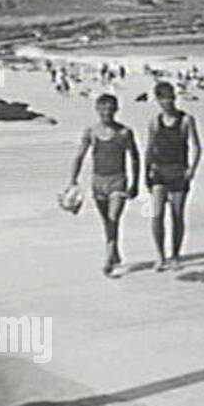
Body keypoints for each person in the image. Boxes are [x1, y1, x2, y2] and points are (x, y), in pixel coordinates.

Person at [69, 93, 140, 277]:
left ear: (116, 110)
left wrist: (135, 183)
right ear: (97, 110)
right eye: (103, 109)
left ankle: (108, 259)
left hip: (118, 180)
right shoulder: (91, 132)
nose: (107, 113)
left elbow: (134, 158)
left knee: (113, 217)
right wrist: (72, 180)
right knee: (106, 221)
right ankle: (114, 249)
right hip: (98, 181)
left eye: (110, 109)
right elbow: (79, 156)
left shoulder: (124, 132)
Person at [144, 81, 201, 271]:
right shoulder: (154, 121)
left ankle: (175, 255)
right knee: (157, 215)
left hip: (179, 171)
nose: (167, 102)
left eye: (170, 97)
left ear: (174, 98)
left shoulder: (186, 120)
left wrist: (192, 169)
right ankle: (160, 255)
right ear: (158, 100)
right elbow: (149, 147)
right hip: (159, 171)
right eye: (163, 98)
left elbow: (197, 146)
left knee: (177, 215)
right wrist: (146, 172)